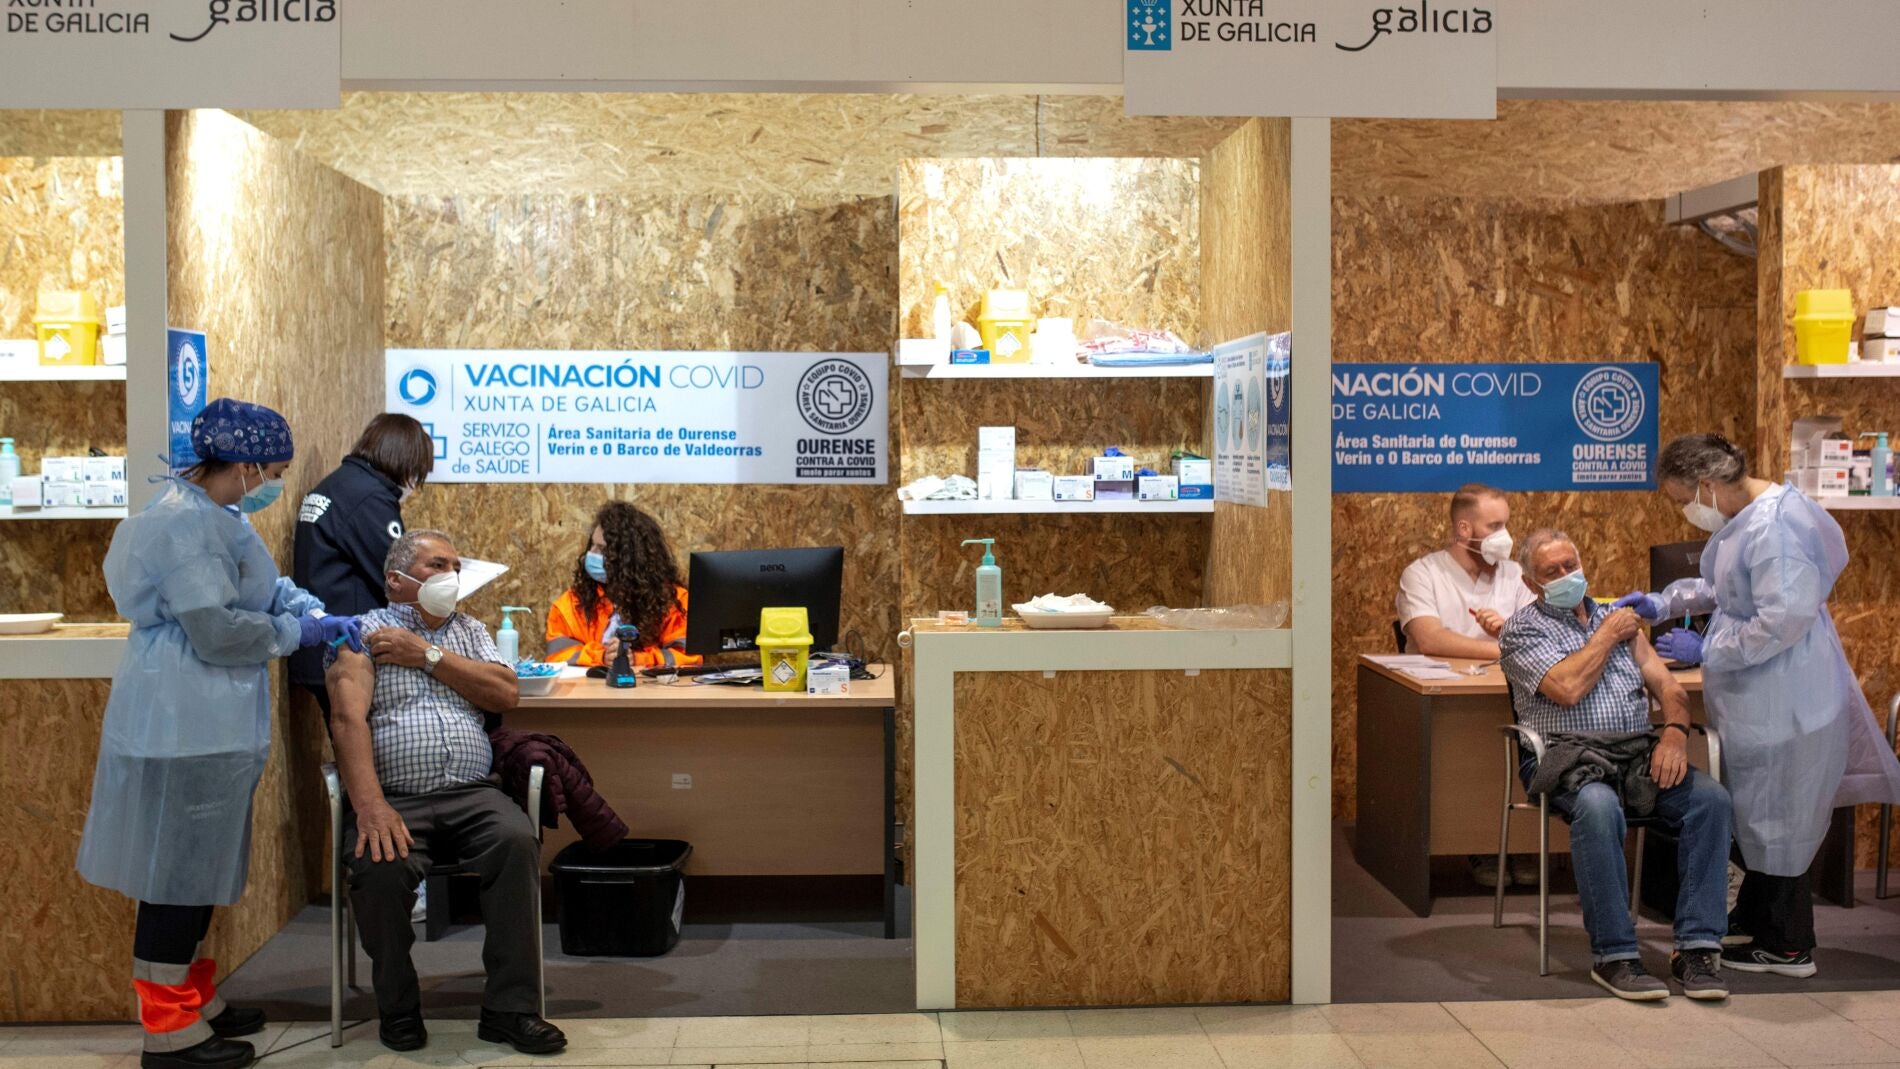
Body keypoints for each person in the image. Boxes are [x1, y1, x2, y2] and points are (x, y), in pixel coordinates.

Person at [76, 398, 362, 1069]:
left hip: (211, 720)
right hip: (183, 722)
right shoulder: (180, 524)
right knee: (174, 879)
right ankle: (168, 1032)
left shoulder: (218, 515)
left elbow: (254, 584)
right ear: (243, 466)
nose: (275, 485)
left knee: (199, 871)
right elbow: (218, 629)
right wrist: (298, 632)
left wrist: (302, 605)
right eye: (275, 473)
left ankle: (194, 998)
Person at [1614, 433, 1900, 978]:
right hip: (1761, 696)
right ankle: (1759, 923)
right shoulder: (1748, 518)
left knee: (1779, 820)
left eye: (1683, 499)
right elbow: (1723, 586)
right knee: (1759, 817)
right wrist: (1664, 601)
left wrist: (1708, 648)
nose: (1685, 510)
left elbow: (1779, 621)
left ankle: (1788, 946)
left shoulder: (1776, 527)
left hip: (1785, 697)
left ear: (1706, 483)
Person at [324, 529, 566, 1056]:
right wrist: (370, 806)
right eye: (438, 565)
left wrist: (427, 655)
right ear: (396, 580)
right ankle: (398, 1007)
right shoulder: (362, 632)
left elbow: (505, 693)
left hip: (473, 793)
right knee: (379, 867)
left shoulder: (470, 631)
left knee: (515, 842)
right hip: (395, 798)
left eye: (456, 566)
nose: (452, 576)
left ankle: (510, 1010)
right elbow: (346, 719)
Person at [1500, 529, 1733, 1002]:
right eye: (1551, 572)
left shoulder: (1620, 620)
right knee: (1599, 806)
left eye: (1571, 566)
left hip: (1635, 753)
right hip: (1565, 757)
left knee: (1710, 800)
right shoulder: (1523, 630)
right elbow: (1567, 689)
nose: (1566, 576)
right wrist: (1606, 636)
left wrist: (1674, 733)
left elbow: (1670, 690)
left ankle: (1696, 948)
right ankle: (1616, 955)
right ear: (1529, 582)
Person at [1397, 483, 1538, 887]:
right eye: (1494, 526)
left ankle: (1521, 840)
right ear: (1463, 529)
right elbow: (1430, 638)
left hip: (1510, 696)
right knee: (1467, 751)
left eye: (1506, 524)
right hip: (1446, 704)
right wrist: (1505, 646)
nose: (1504, 535)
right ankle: (1481, 843)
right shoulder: (1423, 574)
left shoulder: (1515, 575)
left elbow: (1540, 635)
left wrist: (1507, 635)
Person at [290, 413, 437, 721]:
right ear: (404, 459)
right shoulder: (369, 498)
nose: (413, 482)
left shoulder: (337, 485)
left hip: (321, 642)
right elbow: (397, 576)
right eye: (416, 470)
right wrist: (438, 589)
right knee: (366, 744)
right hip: (348, 649)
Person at [545, 501, 701, 670]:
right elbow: (556, 655)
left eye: (603, 549)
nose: (591, 555)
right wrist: (602, 656)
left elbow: (690, 657)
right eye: (592, 545)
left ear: (630, 558)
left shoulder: (673, 601)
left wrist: (638, 659)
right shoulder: (570, 604)